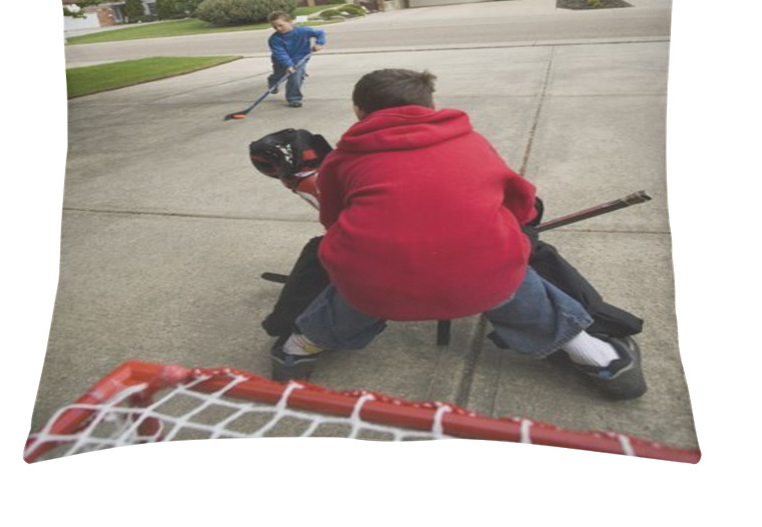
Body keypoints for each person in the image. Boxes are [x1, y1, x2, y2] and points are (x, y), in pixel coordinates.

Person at [270, 68, 647, 400]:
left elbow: (332, 220)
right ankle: (601, 359)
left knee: (364, 276)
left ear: (358, 110)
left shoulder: (343, 159)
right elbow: (523, 206)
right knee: (501, 268)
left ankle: (297, 350)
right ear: (430, 106)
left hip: (378, 286)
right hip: (482, 281)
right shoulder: (472, 142)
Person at [267, 11, 326, 108]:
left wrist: (319, 43)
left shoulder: (303, 31)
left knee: (296, 75)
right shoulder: (274, 39)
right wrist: (288, 65)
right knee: (279, 75)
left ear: (290, 22)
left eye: (280, 25)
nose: (278, 28)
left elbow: (320, 33)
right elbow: (280, 53)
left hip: (300, 59)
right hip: (281, 61)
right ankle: (273, 81)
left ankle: (294, 98)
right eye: (275, 27)